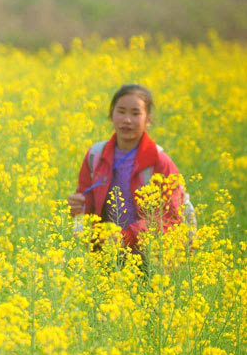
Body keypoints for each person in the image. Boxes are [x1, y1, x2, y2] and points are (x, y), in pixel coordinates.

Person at [67, 84, 186, 253]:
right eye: (121, 111)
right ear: (111, 114)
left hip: (149, 257)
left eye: (135, 113)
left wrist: (126, 237)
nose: (127, 120)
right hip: (106, 253)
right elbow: (88, 204)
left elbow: (168, 217)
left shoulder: (160, 162)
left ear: (148, 119)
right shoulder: (95, 155)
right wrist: (78, 206)